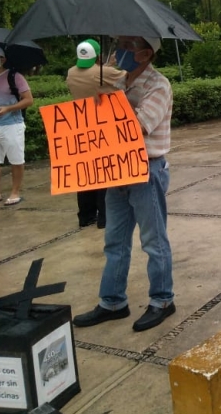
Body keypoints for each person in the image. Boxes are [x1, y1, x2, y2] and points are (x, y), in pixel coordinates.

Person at [73, 36, 177, 333]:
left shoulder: (159, 85)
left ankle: (162, 300)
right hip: (116, 170)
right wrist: (98, 90)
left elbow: (138, 124)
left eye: (128, 46)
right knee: (114, 241)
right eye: (119, 45)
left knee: (154, 242)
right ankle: (112, 302)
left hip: (146, 171)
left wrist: (111, 101)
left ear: (145, 53)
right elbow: (94, 118)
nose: (121, 51)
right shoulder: (117, 82)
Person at [65, 39, 126, 228]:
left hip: (81, 127)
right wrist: (115, 64)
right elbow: (127, 77)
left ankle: (86, 216)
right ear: (99, 56)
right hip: (103, 127)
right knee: (104, 172)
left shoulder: (71, 73)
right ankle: (104, 217)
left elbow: (93, 75)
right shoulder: (104, 73)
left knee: (86, 173)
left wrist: (105, 66)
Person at [0, 46, 33, 207]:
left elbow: (28, 100)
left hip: (12, 124)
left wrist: (9, 108)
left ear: (2, 59)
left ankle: (15, 192)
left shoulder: (14, 77)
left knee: (16, 158)